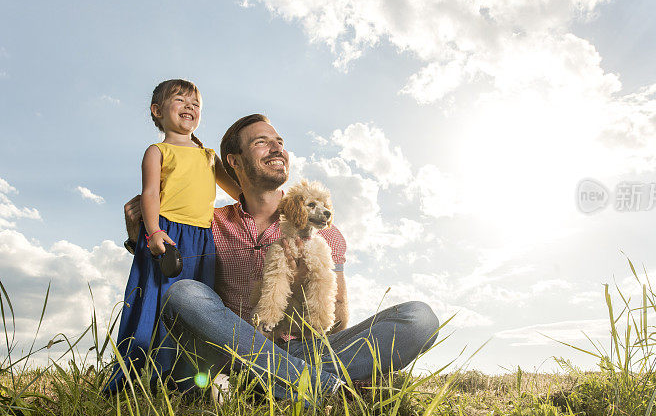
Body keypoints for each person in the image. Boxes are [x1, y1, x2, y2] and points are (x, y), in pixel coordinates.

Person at [119, 114, 439, 400]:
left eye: (280, 142)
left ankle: (286, 382)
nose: (277, 149)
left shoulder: (319, 226)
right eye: (262, 142)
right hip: (232, 355)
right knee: (183, 293)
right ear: (235, 161)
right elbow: (172, 283)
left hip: (302, 352)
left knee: (419, 318)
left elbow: (338, 320)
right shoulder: (209, 222)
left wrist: (305, 285)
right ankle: (320, 387)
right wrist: (140, 238)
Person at [104, 79, 240, 394]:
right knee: (151, 304)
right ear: (158, 111)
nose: (189, 106)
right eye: (180, 100)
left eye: (195, 103)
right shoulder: (158, 151)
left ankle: (187, 384)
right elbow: (149, 193)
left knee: (196, 312)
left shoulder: (208, 155)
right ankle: (133, 381)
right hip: (166, 235)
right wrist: (152, 231)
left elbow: (238, 191)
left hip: (203, 241)